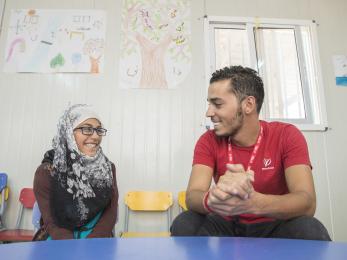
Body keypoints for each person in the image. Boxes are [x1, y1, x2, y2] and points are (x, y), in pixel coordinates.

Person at [171, 66, 331, 240]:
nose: (209, 113)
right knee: (185, 223)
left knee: (311, 229)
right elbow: (193, 195)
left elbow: (307, 201)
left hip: (274, 222)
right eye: (209, 104)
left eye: (217, 104)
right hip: (226, 222)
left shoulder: (287, 135)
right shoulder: (208, 140)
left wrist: (254, 204)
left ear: (248, 105)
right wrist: (212, 199)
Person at [33, 104, 118, 240]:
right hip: (59, 241)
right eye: (87, 129)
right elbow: (52, 221)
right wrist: (72, 248)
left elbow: (111, 211)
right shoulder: (47, 172)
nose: (96, 136)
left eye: (98, 130)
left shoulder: (108, 169)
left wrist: (94, 242)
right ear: (68, 132)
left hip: (98, 241)